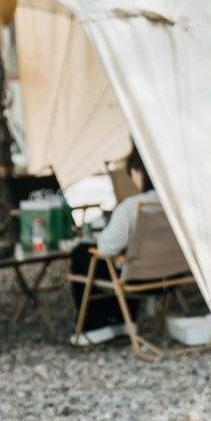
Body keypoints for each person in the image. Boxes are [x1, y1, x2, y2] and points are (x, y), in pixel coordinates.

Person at [68, 147, 159, 346]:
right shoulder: (176, 204)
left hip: (138, 277)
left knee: (83, 254)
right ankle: (125, 321)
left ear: (138, 172)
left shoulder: (133, 207)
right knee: (125, 257)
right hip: (170, 278)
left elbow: (106, 248)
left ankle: (97, 326)